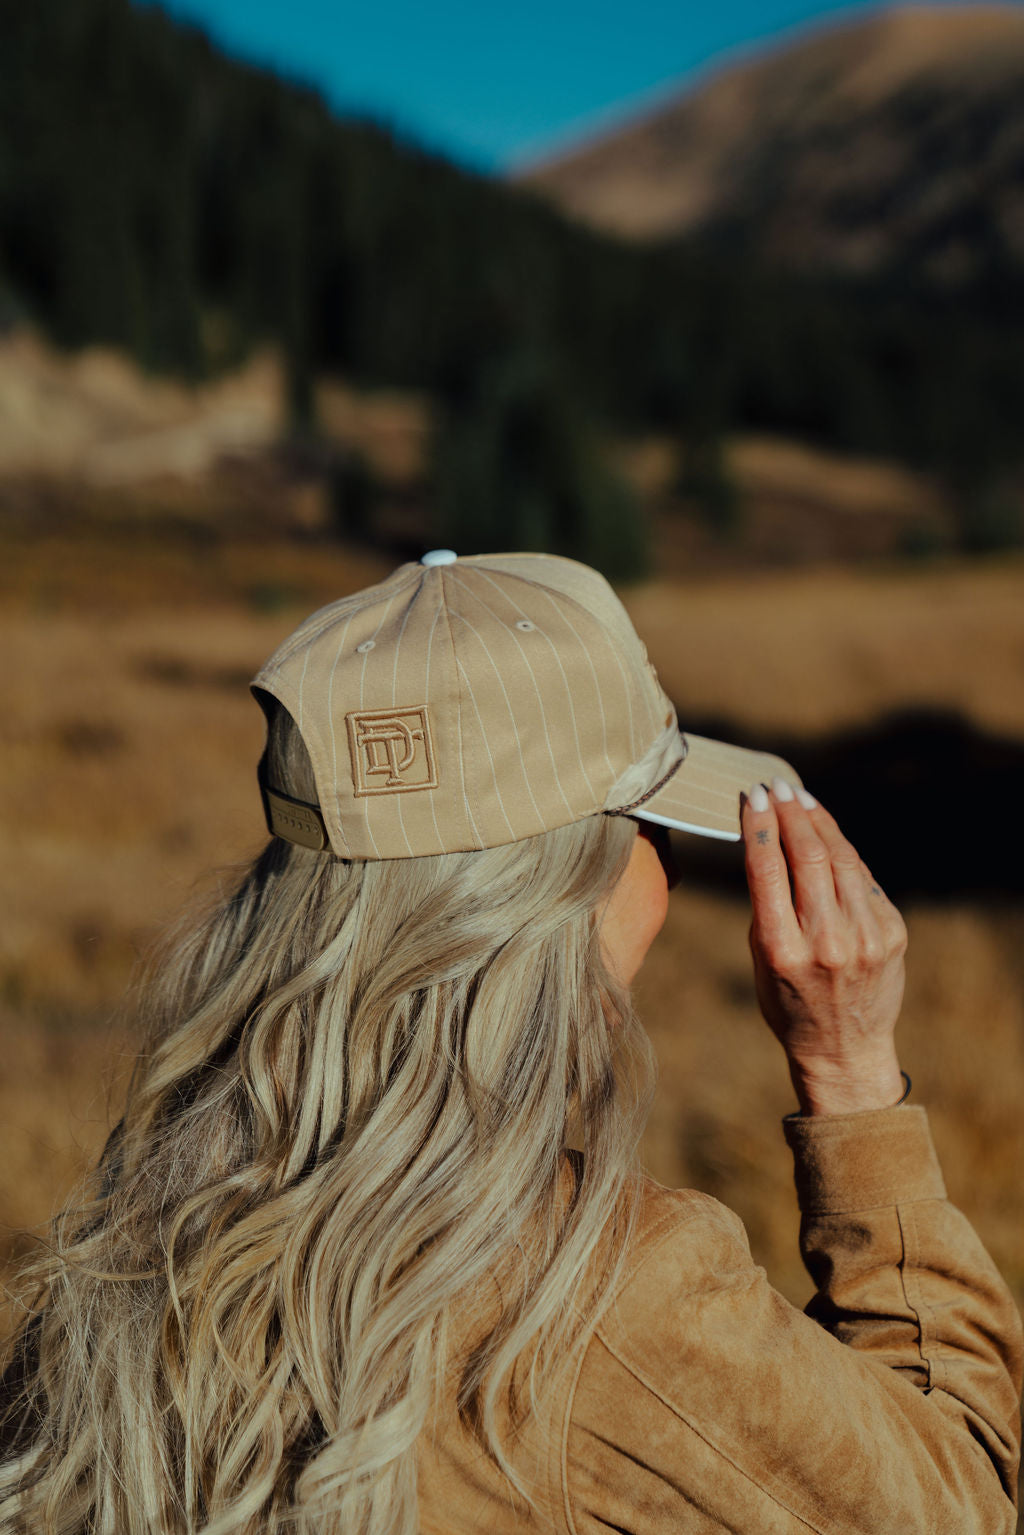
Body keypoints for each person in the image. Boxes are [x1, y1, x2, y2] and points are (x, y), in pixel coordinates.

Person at [0, 548, 1020, 1535]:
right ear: (556, 888)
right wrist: (850, 1076)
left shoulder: (137, 1236)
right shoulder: (601, 1298)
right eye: (649, 831)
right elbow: (962, 1499)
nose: (659, 871)